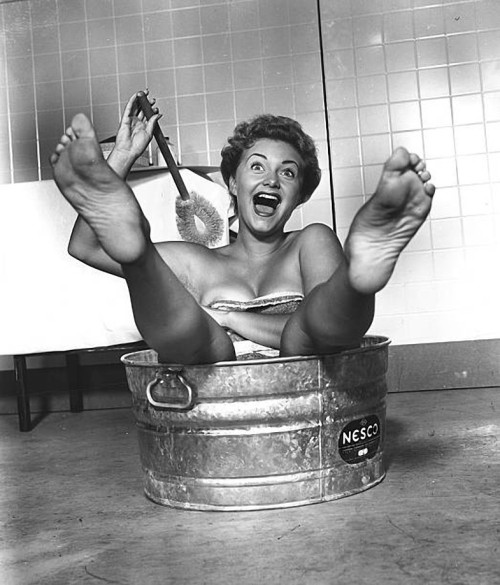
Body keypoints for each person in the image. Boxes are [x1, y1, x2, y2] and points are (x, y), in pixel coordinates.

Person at [50, 91, 435, 365]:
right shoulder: (198, 262)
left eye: (288, 172)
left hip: (301, 367)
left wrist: (230, 317)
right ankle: (138, 258)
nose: (271, 180)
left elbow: (323, 336)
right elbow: (86, 247)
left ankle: (357, 278)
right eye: (257, 167)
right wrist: (121, 157)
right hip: (213, 387)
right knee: (199, 339)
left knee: (307, 331)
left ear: (299, 195)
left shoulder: (310, 243)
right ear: (233, 184)